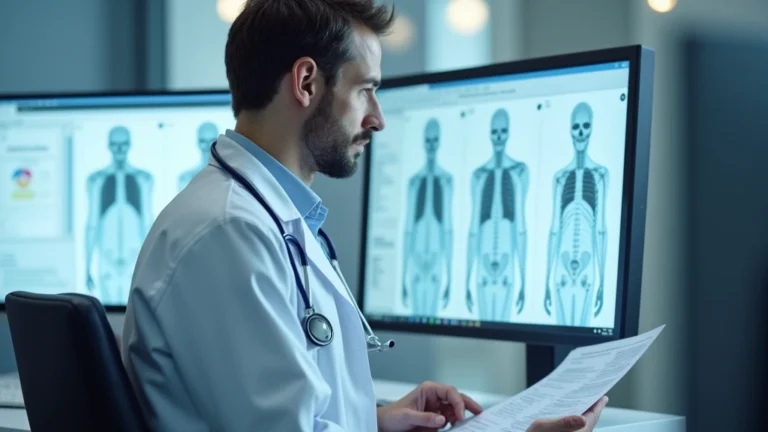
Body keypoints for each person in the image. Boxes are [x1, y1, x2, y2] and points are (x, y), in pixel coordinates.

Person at [120, 0, 608, 431]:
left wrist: (368, 421)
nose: (377, 117)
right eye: (364, 90)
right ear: (307, 81)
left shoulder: (260, 218)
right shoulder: (231, 234)